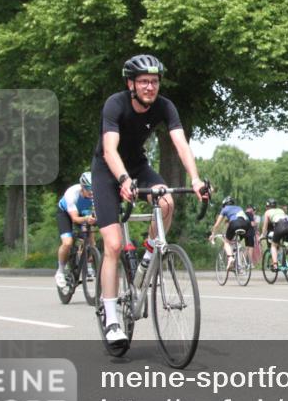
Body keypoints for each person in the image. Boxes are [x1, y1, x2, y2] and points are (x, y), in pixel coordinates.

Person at [92, 54, 207, 347]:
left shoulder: (165, 106)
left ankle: (147, 257)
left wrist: (194, 178)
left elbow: (181, 143)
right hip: (108, 171)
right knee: (114, 246)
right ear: (131, 83)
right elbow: (109, 150)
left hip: (138, 166)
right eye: (143, 81)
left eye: (154, 81)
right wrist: (122, 181)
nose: (149, 87)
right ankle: (111, 317)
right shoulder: (115, 104)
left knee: (167, 201)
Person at [54, 171, 96, 288]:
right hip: (66, 213)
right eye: (88, 188)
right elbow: (75, 218)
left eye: (93, 188)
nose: (91, 191)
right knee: (67, 243)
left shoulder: (96, 194)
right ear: (82, 187)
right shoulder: (72, 194)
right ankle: (60, 271)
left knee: (91, 238)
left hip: (83, 213)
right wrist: (87, 218)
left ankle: (88, 265)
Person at [208, 196, 253, 270]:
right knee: (236, 240)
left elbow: (217, 225)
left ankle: (230, 258)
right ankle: (240, 263)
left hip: (235, 223)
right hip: (247, 225)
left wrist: (212, 234)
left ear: (224, 204)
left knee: (226, 242)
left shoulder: (225, 209)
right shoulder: (239, 208)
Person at [261, 198, 288, 271]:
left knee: (273, 246)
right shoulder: (280, 210)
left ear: (267, 206)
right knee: (286, 244)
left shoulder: (267, 212)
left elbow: (265, 227)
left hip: (280, 227)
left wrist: (262, 235)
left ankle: (275, 264)